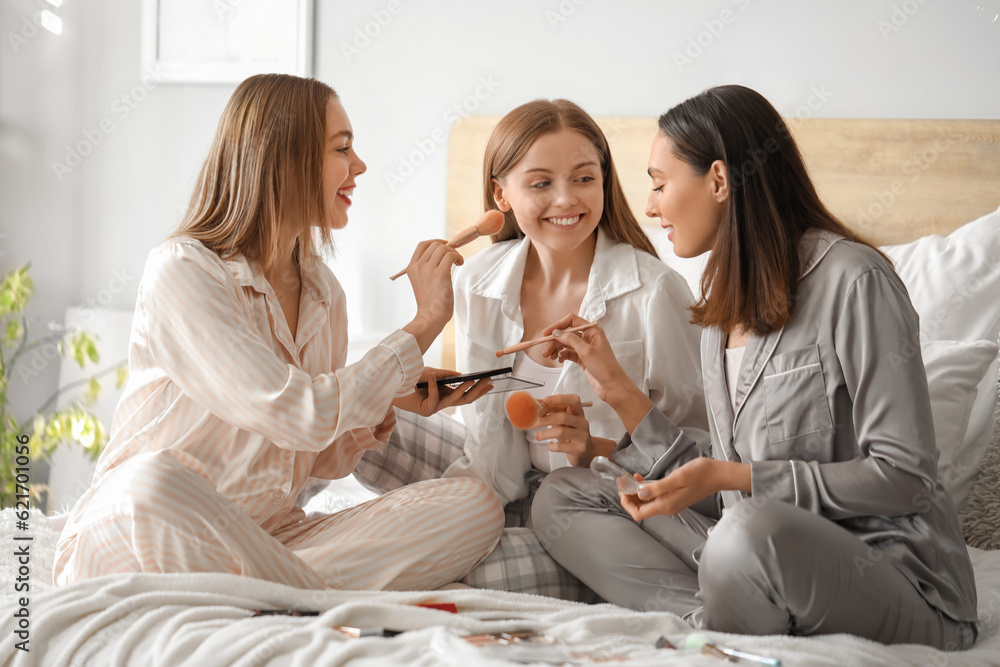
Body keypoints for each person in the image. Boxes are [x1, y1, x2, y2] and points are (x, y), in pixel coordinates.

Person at [531, 85, 978, 649]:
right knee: (566, 493)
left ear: (719, 181)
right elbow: (723, 488)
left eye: (659, 183)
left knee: (744, 533)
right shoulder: (721, 309)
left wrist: (734, 479)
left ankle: (733, 608)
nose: (648, 205)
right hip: (754, 549)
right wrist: (614, 384)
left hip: (892, 578)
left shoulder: (855, 280)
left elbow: (905, 479)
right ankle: (723, 612)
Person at [54, 73, 503, 591]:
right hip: (154, 519)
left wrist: (384, 403)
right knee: (151, 483)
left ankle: (274, 593)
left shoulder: (323, 291)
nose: (359, 166)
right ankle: (298, 595)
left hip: (270, 537)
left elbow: (318, 459)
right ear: (284, 158)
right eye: (343, 148)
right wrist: (423, 325)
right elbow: (296, 414)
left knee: (475, 506)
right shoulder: (182, 270)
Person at [442, 99, 710, 526]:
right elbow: (481, 433)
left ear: (604, 180)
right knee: (370, 426)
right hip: (495, 489)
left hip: (599, 510)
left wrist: (597, 451)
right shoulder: (474, 281)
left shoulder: (656, 292)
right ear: (501, 195)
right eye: (541, 183)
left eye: (584, 177)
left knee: (471, 567)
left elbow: (698, 449)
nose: (565, 199)